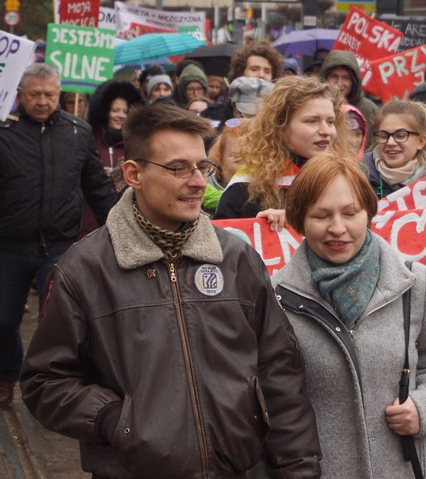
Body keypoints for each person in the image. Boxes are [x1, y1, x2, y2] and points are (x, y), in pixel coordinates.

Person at [20, 104, 322, 476]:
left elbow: (279, 370)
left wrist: (298, 466)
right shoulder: (84, 269)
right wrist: (114, 420)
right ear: (134, 173)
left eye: (202, 167)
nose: (197, 181)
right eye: (178, 168)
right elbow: (44, 381)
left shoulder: (237, 257)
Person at [272, 154, 426, 478]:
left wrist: (424, 407)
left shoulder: (415, 282)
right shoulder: (277, 297)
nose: (337, 228)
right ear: (300, 219)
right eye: (321, 215)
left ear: (368, 213)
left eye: (350, 213)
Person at [0, 64, 117, 410]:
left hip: (61, 246)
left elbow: (97, 187)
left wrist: (117, 227)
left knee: (58, 321)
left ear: (60, 93)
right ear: (20, 94)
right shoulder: (4, 132)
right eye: (34, 94)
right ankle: (7, 375)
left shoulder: (77, 132)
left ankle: (55, 387)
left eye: (49, 94)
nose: (42, 101)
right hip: (9, 246)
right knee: (4, 319)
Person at [214, 76, 349, 220]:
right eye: (311, 121)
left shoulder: (346, 179)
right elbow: (223, 239)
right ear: (281, 129)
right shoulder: (245, 188)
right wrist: (259, 225)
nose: (326, 131)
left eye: (330, 122)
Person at [79, 81, 145, 234]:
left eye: (125, 111)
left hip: (127, 223)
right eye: (115, 110)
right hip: (88, 222)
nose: (120, 115)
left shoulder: (138, 145)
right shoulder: (87, 139)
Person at [363, 100, 426, 199]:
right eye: (383, 135)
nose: (390, 142)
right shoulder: (358, 178)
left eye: (401, 135)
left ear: (420, 142)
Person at [320, 50, 379, 145]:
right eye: (334, 76)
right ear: (325, 78)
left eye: (345, 78)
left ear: (354, 81)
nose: (339, 83)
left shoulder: (369, 109)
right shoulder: (315, 105)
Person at [204, 120, 247, 214]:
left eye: (257, 160)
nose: (247, 168)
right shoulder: (193, 196)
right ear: (219, 159)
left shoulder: (275, 198)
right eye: (238, 159)